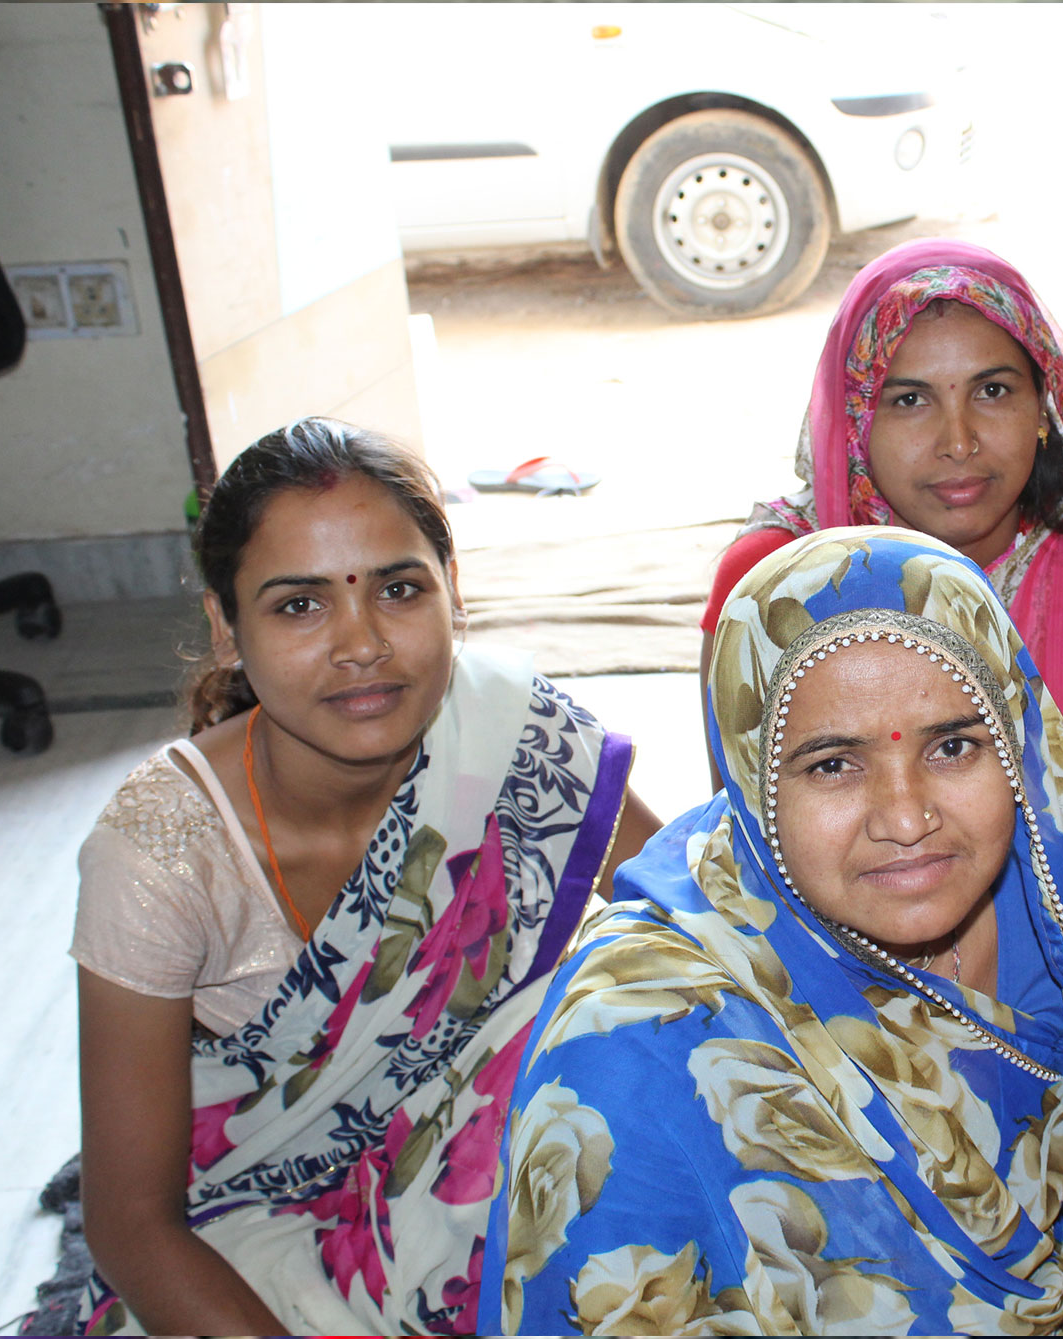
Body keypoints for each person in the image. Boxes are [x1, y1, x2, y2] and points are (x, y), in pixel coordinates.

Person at [488, 527, 1063, 1336]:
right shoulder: (638, 1040)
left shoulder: (1058, 916)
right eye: (834, 763)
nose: (907, 818)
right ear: (751, 776)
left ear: (1019, 745)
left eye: (953, 747)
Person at [71, 419, 662, 1335]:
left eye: (397, 589)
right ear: (226, 629)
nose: (362, 643)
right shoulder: (159, 853)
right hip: (258, 1238)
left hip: (527, 1191)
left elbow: (695, 917)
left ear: (453, 594)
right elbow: (129, 1223)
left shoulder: (509, 731)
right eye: (299, 605)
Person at [700, 240, 1063, 980]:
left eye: (993, 390)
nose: (959, 442)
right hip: (845, 992)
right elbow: (753, 874)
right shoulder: (771, 584)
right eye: (910, 399)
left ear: (1044, 407)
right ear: (855, 423)